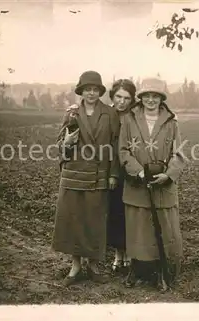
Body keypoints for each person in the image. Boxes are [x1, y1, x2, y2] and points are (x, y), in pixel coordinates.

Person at [52, 70, 120, 286]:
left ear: (100, 91)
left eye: (95, 89)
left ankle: (93, 265)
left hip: (99, 174)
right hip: (73, 174)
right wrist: (68, 142)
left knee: (95, 221)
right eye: (87, 89)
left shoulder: (110, 113)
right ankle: (75, 266)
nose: (91, 93)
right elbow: (59, 146)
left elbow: (116, 146)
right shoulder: (71, 113)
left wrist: (113, 174)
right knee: (74, 220)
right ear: (81, 91)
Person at [118, 76, 187, 289]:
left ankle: (161, 273)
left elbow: (179, 153)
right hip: (137, 186)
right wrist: (138, 172)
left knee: (163, 230)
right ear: (140, 98)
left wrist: (168, 175)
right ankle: (136, 270)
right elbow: (123, 151)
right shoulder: (129, 120)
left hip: (162, 187)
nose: (150, 100)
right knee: (137, 230)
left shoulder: (171, 122)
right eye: (146, 96)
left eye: (155, 96)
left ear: (161, 98)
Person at [106, 79, 137, 274]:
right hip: (110, 171)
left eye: (127, 98)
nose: (122, 102)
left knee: (132, 213)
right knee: (115, 212)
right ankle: (118, 254)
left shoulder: (135, 117)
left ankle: (131, 254)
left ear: (132, 100)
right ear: (112, 96)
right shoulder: (106, 115)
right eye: (118, 96)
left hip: (131, 170)